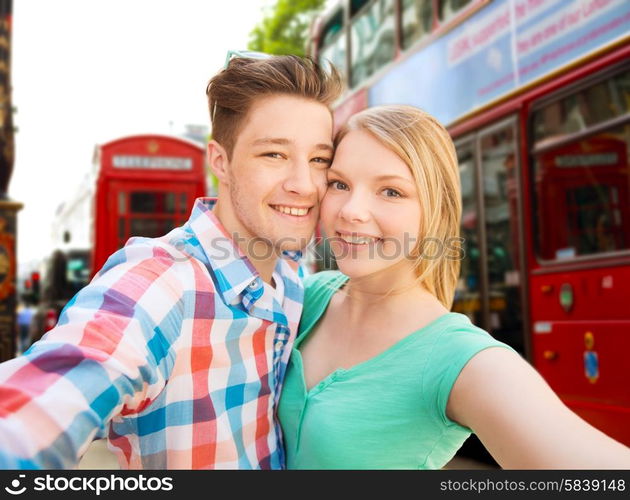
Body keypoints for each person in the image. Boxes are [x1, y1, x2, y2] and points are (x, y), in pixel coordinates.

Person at [0, 53, 341, 469]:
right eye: (274, 155)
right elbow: (42, 402)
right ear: (220, 162)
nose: (304, 185)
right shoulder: (162, 281)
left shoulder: (291, 281)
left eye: (319, 160)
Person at [277, 105, 630, 469]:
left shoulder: (461, 359)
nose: (352, 210)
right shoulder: (306, 296)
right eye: (340, 184)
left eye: (391, 192)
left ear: (435, 210)